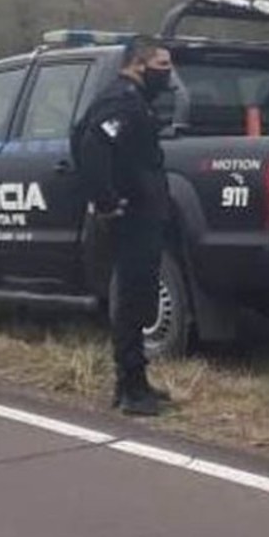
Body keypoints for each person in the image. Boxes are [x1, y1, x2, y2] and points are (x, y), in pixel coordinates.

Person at [73, 36, 175, 416]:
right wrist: (106, 200)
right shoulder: (122, 101)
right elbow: (91, 146)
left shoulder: (135, 102)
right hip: (130, 216)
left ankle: (134, 382)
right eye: (162, 66)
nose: (168, 74)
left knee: (139, 297)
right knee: (131, 301)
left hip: (143, 212)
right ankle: (132, 390)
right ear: (137, 64)